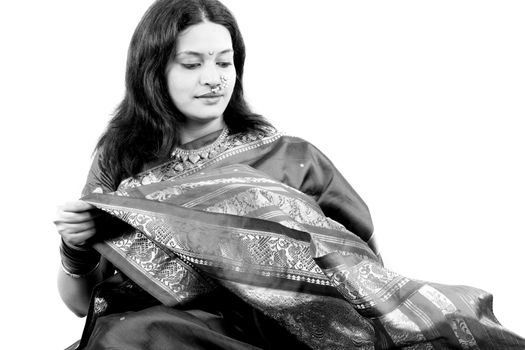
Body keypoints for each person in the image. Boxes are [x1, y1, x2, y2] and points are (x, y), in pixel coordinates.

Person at [54, 0, 524, 349]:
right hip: (158, 335)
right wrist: (75, 252)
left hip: (285, 338)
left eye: (225, 61)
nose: (214, 77)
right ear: (153, 72)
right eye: (193, 64)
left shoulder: (292, 158)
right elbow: (83, 305)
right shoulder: (121, 164)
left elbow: (358, 282)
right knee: (133, 335)